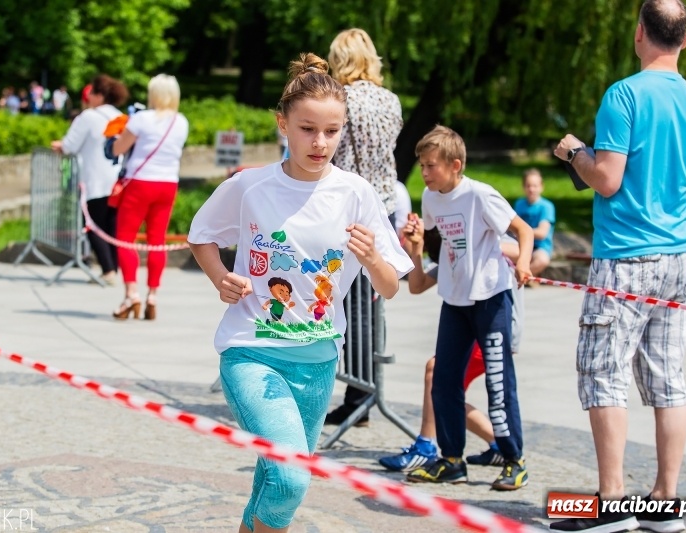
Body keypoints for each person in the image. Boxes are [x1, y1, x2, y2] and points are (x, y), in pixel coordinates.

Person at [187, 53, 413, 533]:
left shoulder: (356, 194)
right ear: (282, 125)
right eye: (308, 128)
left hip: (318, 362)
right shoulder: (250, 186)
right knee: (291, 480)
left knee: (276, 478)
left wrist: (372, 257)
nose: (320, 142)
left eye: (332, 131)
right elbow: (201, 234)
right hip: (252, 350)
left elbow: (391, 286)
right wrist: (219, 276)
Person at [551, 1, 686, 531]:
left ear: (640, 33)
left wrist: (575, 151)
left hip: (625, 257)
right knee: (668, 378)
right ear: (685, 40)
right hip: (677, 255)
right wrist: (668, 202)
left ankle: (612, 503)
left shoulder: (624, 95)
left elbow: (608, 179)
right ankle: (664, 503)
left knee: (604, 372)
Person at [397, 125, 533, 491]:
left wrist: (523, 263)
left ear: (455, 165)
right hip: (454, 301)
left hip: (490, 298)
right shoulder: (430, 198)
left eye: (430, 166)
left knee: (498, 383)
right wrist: (416, 244)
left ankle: (514, 459)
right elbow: (437, 257)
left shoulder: (480, 195)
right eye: (422, 166)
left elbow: (524, 232)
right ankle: (452, 459)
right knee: (442, 383)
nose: (424, 173)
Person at [378, 231, 524, 473]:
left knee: (436, 373)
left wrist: (467, 241)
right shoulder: (452, 249)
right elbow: (417, 285)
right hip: (469, 325)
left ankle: (427, 446)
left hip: (495, 325)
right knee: (446, 392)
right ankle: (496, 444)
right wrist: (418, 248)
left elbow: (521, 249)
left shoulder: (485, 230)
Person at [324, 28, 404, 428]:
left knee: (351, 304)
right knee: (375, 302)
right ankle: (367, 386)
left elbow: (340, 159)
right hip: (385, 208)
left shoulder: (345, 100)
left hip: (352, 208)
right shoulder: (390, 100)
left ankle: (358, 392)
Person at [110, 74, 189, 321]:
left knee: (125, 239)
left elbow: (118, 149)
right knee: (157, 240)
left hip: (140, 182)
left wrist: (115, 136)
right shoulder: (181, 122)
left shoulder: (141, 119)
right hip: (168, 184)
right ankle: (152, 295)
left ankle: (131, 292)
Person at [51, 74, 129, 286]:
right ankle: (115, 266)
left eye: (92, 93)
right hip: (116, 181)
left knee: (92, 224)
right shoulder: (121, 116)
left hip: (93, 180)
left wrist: (59, 146)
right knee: (111, 226)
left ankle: (108, 270)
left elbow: (69, 145)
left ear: (99, 96)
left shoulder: (88, 117)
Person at [514, 168, 555, 278]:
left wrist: (521, 231)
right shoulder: (519, 204)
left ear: (541, 187)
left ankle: (521, 277)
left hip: (540, 247)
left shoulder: (546, 206)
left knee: (542, 260)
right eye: (528, 185)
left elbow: (542, 233)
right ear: (524, 187)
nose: (531, 189)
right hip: (521, 244)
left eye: (535, 186)